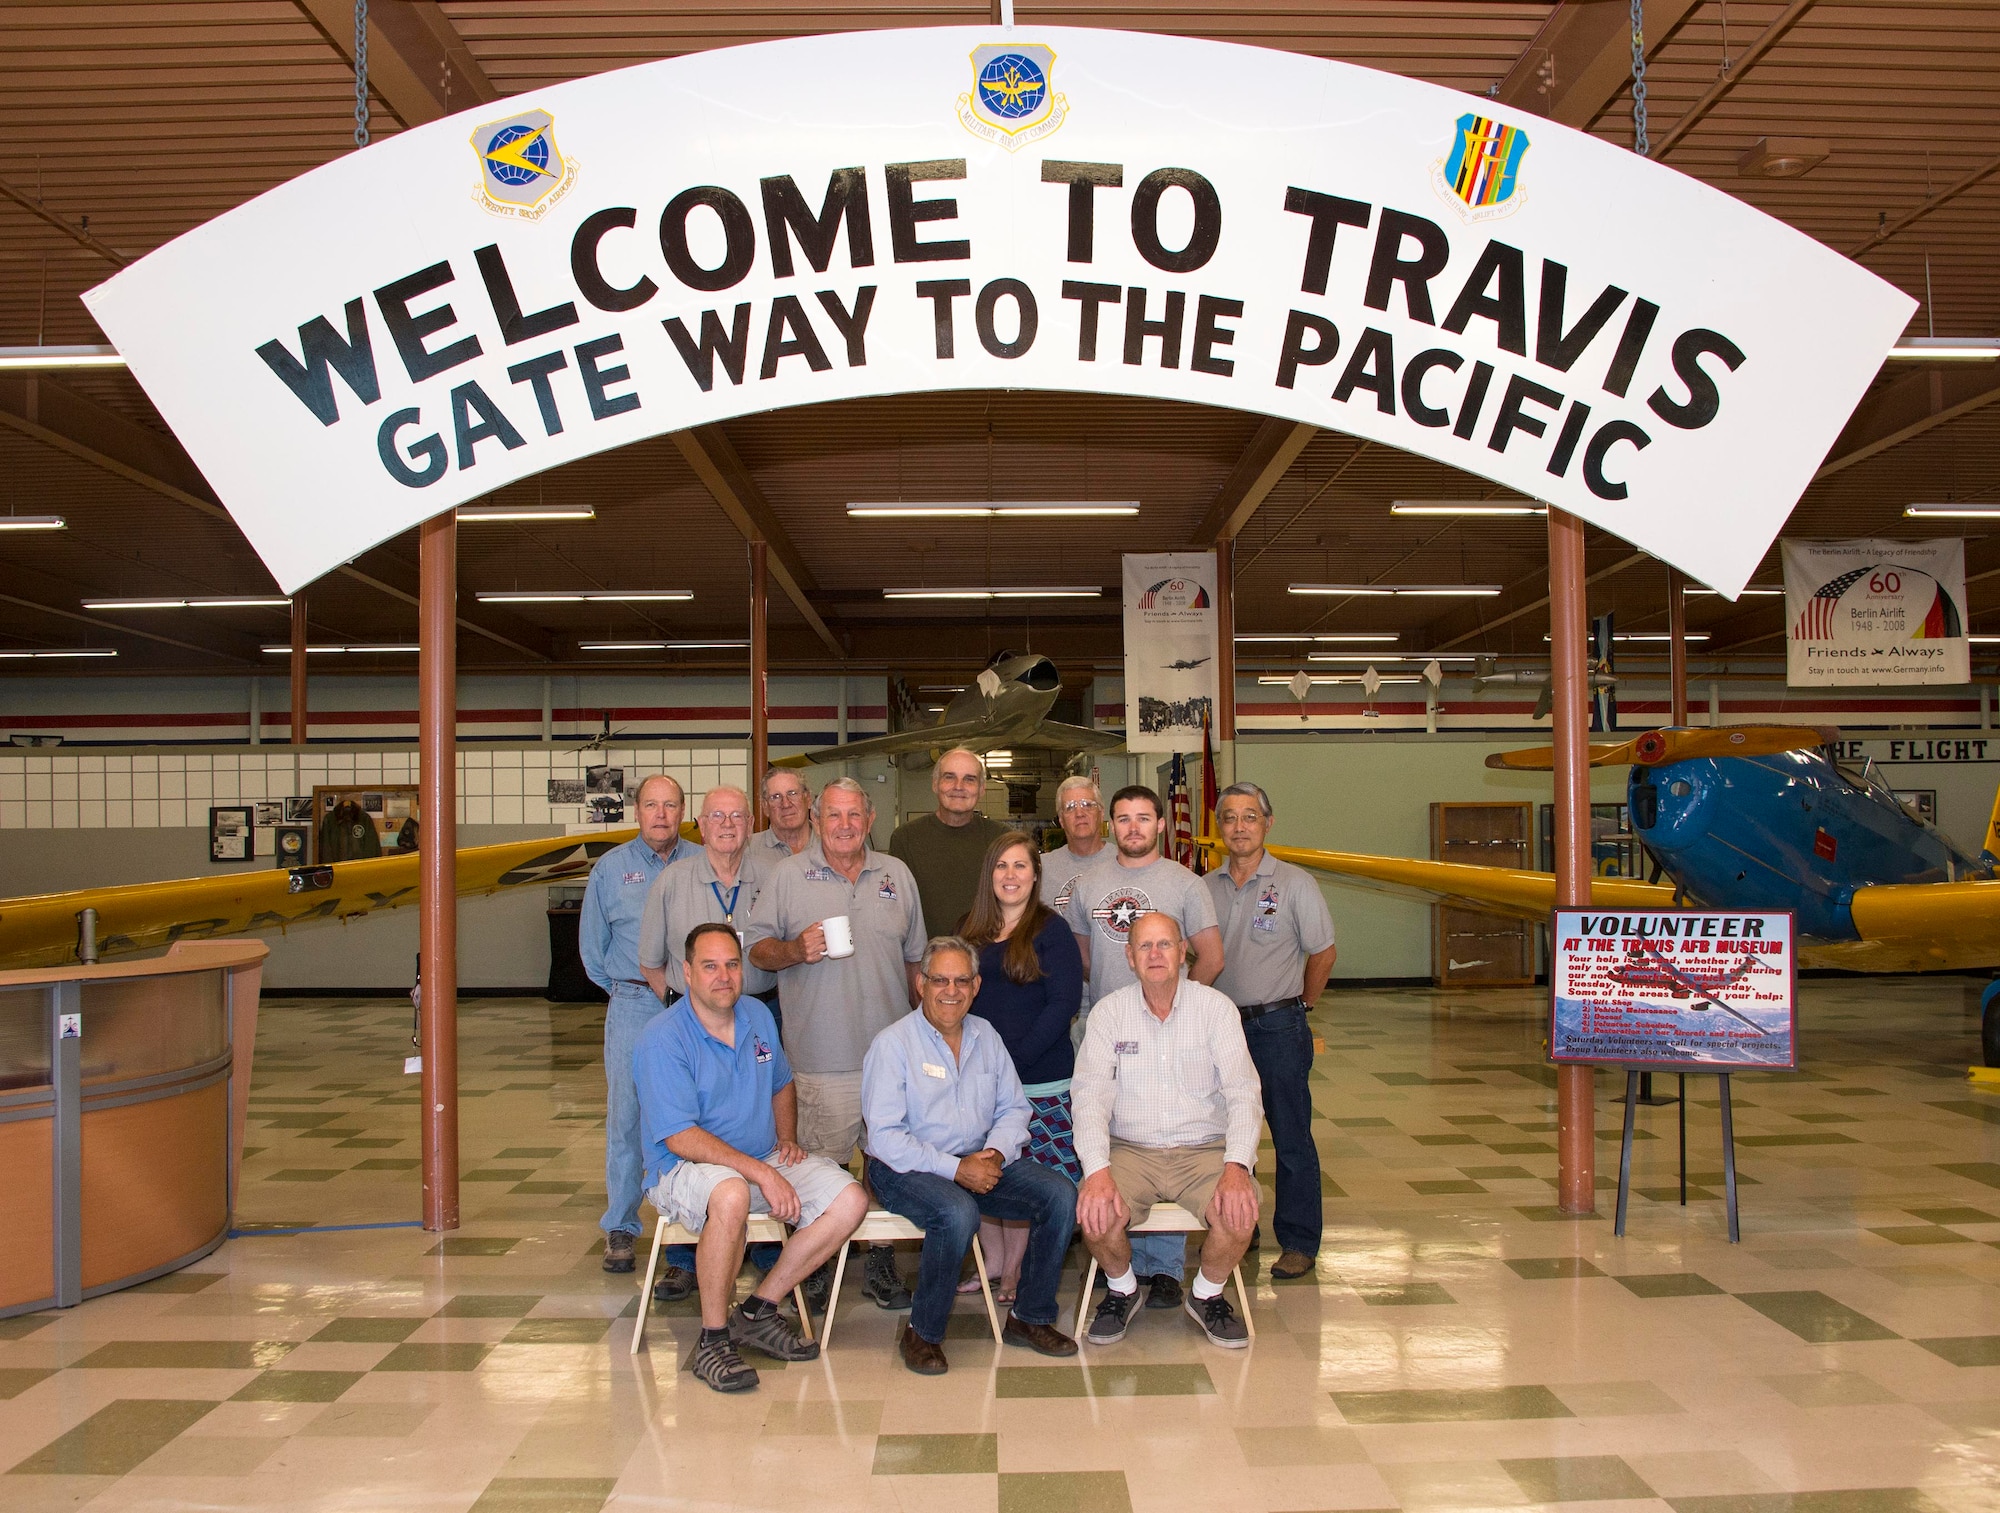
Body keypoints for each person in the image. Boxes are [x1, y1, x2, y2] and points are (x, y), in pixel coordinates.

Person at [635, 923, 867, 1393]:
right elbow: (680, 1136)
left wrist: (786, 1139)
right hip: (683, 1169)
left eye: (732, 965)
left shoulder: (758, 1016)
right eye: (710, 966)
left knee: (850, 1200)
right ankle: (712, 1340)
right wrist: (762, 1172)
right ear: (686, 972)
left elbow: (781, 1081)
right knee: (731, 1192)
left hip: (759, 1157)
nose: (724, 977)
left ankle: (759, 1310)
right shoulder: (662, 1038)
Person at [746, 775, 927, 1311]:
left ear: (870, 821)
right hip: (820, 1060)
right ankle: (816, 1266)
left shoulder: (895, 874)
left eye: (854, 815)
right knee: (819, 1167)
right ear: (816, 820)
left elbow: (916, 959)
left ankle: (879, 1262)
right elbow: (755, 950)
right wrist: (794, 950)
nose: (844, 825)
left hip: (891, 1061)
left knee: (887, 1166)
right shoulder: (788, 875)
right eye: (833, 815)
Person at [861, 936, 1080, 1374]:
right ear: (921, 983)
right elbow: (884, 1137)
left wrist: (995, 1153)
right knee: (958, 1213)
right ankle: (922, 1333)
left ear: (977, 985)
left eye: (962, 980)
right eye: (939, 979)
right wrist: (956, 1169)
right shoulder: (893, 1044)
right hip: (904, 1167)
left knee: (1059, 1194)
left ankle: (1029, 1318)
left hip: (979, 1160)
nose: (951, 990)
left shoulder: (986, 1035)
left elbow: (1014, 1108)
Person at [1061, 783, 1225, 1308]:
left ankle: (1166, 1271)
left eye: (1143, 818)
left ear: (1159, 825)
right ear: (1113, 825)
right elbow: (1082, 959)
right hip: (1105, 1024)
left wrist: (1179, 1007)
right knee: (1119, 1137)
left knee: (1169, 1127)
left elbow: (1210, 956)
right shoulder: (1089, 884)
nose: (1133, 827)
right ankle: (1123, 1263)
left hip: (1172, 1022)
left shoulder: (1186, 884)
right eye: (1123, 818)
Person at [1072, 912, 1261, 1349]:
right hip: (1132, 1150)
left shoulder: (1216, 1010)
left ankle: (1206, 1295)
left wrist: (1237, 1166)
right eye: (1144, 946)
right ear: (1130, 957)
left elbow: (1243, 1093)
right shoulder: (1108, 1014)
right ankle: (1122, 1289)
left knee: (1239, 1210)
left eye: (1164, 945)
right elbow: (1089, 1098)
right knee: (1096, 1214)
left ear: (1181, 953)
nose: (1155, 954)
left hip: (1204, 1149)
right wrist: (1097, 1172)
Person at [636, 783, 780, 1300]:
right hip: (694, 1017)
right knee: (691, 1127)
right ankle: (684, 1259)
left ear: (750, 822)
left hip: (760, 1012)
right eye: (716, 816)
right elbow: (650, 959)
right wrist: (689, 1006)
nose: (727, 825)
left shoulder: (772, 877)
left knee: (756, 1117)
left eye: (737, 816)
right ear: (700, 823)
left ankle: (766, 1248)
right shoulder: (673, 881)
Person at [1206, 782, 1338, 1283]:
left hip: (1278, 1025)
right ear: (1220, 828)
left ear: (1268, 823)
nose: (1240, 827)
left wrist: (1304, 1003)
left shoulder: (1295, 883)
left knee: (1289, 1135)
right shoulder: (1206, 886)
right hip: (1222, 1028)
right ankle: (1242, 1226)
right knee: (1229, 1134)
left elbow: (1323, 952)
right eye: (1230, 818)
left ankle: (1300, 1240)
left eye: (1250, 817)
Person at [958, 830, 1085, 1303]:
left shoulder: (1052, 932)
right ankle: (992, 1262)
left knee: (1030, 1179)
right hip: (979, 1083)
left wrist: (1013, 1063)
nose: (1010, 876)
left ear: (1035, 875)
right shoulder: (968, 930)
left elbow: (1063, 1005)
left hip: (1040, 1079)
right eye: (1001, 866)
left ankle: (1016, 1270)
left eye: (1020, 867)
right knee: (989, 1174)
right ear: (988, 874)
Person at [579, 774, 698, 1275]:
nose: (661, 815)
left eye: (670, 805)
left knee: (692, 1119)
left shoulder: (701, 861)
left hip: (694, 1008)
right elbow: (592, 950)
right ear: (637, 812)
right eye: (652, 805)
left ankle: (690, 1231)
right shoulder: (611, 869)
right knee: (626, 1117)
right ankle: (622, 1227)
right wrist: (630, 992)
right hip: (632, 1003)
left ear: (682, 811)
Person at [889, 747, 1009, 940]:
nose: (959, 786)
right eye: (949, 777)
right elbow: (896, 909)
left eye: (969, 779)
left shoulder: (1001, 838)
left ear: (981, 789)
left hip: (989, 958)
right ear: (935, 784)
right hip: (928, 960)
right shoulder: (906, 839)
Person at [759, 767, 815, 856]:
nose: (786, 804)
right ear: (765, 807)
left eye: (792, 794)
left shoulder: (832, 845)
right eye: (776, 797)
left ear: (808, 799)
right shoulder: (748, 851)